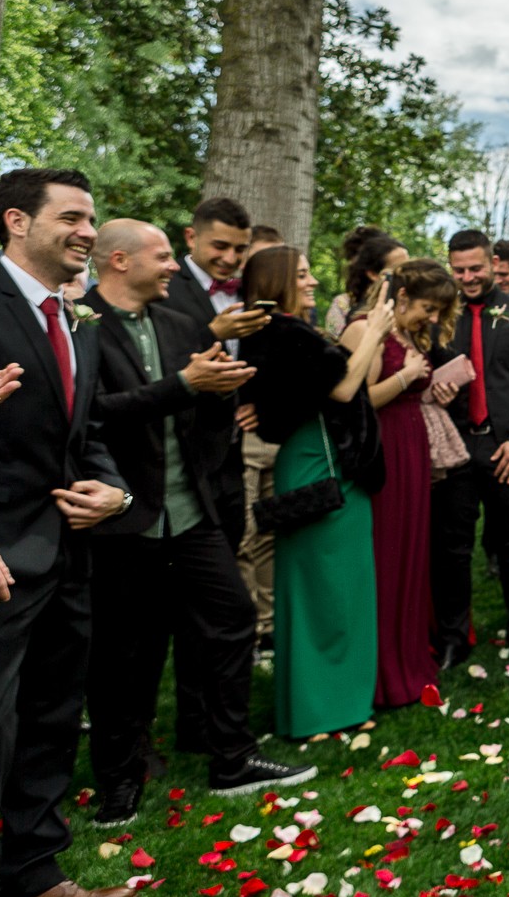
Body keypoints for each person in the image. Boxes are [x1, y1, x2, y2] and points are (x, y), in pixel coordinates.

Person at [0, 169, 135, 897]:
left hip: (67, 552)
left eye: (92, 218)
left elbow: (83, 432)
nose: (90, 231)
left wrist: (114, 492)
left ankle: (33, 871)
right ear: (17, 221)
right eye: (74, 217)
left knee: (54, 715)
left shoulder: (77, 319)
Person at [81, 220, 313, 828]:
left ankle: (232, 758)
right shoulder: (80, 325)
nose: (173, 267)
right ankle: (119, 782)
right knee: (124, 654)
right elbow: (89, 416)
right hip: (122, 518)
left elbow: (208, 414)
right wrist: (184, 385)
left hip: (192, 513)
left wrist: (219, 394)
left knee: (233, 619)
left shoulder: (182, 324)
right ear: (119, 261)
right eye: (162, 257)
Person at [238, 245, 391, 740]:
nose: (312, 282)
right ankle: (313, 712)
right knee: (319, 592)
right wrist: (376, 329)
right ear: (278, 280)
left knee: (343, 590)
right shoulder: (282, 331)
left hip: (331, 460)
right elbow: (343, 389)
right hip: (315, 463)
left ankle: (342, 702)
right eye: (302, 274)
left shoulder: (292, 330)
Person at [432, 231, 509, 669]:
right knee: (452, 549)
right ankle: (453, 638)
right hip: (456, 447)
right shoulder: (440, 316)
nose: (467, 277)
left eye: (475, 268)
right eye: (459, 270)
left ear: (491, 264)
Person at [342, 259, 454, 707]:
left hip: (412, 449)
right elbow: (359, 398)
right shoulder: (365, 329)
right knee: (385, 555)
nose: (433, 318)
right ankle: (380, 669)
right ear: (402, 296)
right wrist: (407, 376)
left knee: (411, 552)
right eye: (428, 308)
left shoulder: (407, 334)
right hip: (383, 450)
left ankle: (408, 656)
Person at [163, 197, 272, 654]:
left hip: (232, 457)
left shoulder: (251, 290)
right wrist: (212, 333)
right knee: (194, 590)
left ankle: (210, 673)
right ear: (192, 237)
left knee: (221, 588)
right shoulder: (166, 286)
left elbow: (263, 360)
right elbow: (161, 362)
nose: (230, 258)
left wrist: (260, 403)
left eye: (240, 249)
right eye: (220, 246)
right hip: (183, 457)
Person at [325, 231, 407, 340]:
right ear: (373, 274)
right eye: (399, 269)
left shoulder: (409, 304)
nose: (409, 273)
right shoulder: (351, 311)